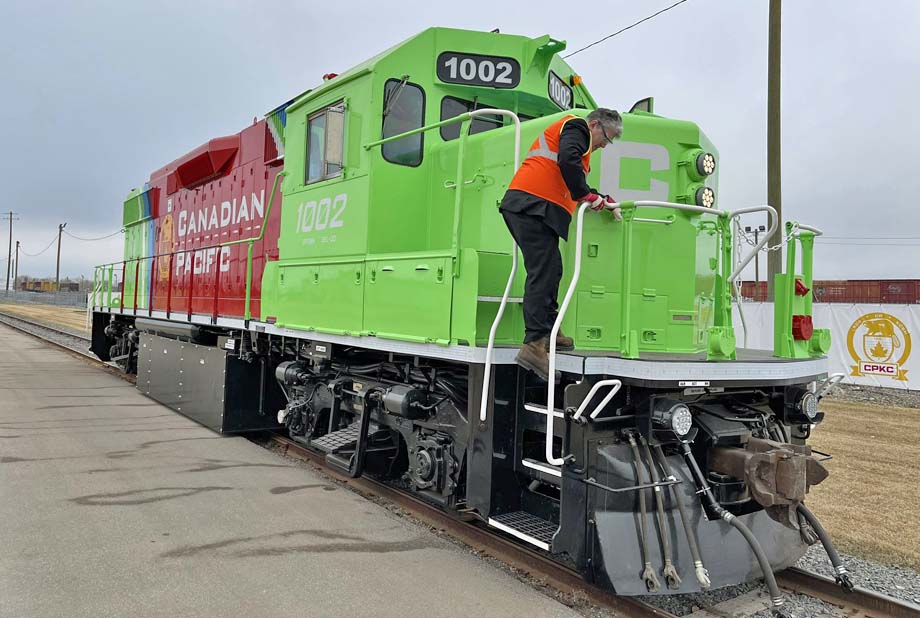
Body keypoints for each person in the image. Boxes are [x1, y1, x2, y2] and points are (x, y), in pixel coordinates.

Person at [499, 108, 623, 381]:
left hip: (536, 207)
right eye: (607, 137)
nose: (605, 145)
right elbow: (568, 163)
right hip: (530, 204)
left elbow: (573, 177)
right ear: (594, 124)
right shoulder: (576, 127)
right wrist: (587, 196)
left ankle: (550, 331)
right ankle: (534, 344)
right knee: (543, 269)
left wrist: (600, 198)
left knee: (552, 268)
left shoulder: (578, 139)